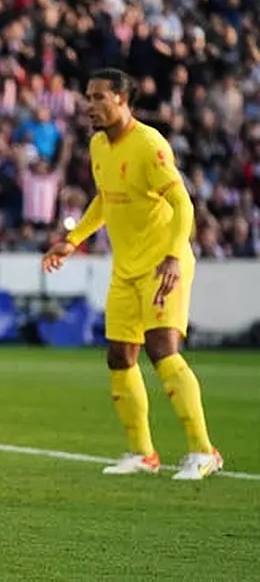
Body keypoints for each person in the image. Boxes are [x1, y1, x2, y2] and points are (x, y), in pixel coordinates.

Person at [42, 68, 222, 480]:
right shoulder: (98, 146)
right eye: (88, 96)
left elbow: (183, 203)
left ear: (123, 100)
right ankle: (144, 454)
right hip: (125, 267)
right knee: (120, 355)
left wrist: (175, 256)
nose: (91, 104)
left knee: (162, 349)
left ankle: (203, 450)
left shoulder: (149, 144)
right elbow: (105, 200)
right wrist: (72, 242)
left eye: (100, 97)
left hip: (163, 263)